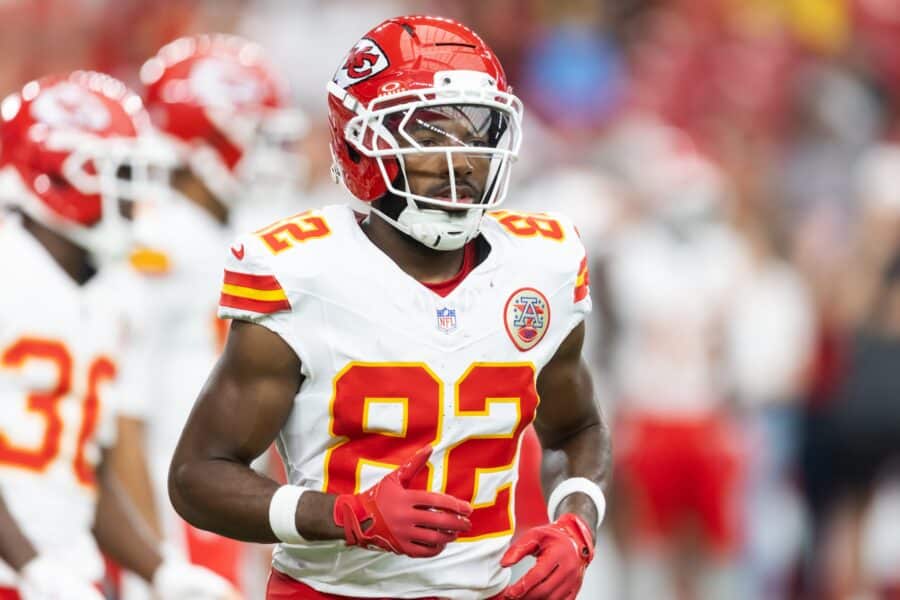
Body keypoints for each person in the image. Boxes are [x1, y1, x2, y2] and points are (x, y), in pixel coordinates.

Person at [170, 15, 611, 600]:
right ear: (360, 144)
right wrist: (345, 515)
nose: (464, 160)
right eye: (429, 137)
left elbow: (576, 427)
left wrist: (577, 520)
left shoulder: (540, 265)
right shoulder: (304, 273)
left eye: (478, 133)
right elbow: (197, 476)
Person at [0, 71, 238, 600]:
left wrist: (160, 569)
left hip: (69, 573)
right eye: (119, 172)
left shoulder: (107, 291)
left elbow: (87, 463)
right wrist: (30, 564)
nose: (134, 195)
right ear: (58, 172)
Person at [115, 33, 306, 595]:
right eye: (259, 133)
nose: (275, 154)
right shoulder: (159, 241)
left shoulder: (226, 234)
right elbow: (126, 415)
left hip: (218, 485)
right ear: (204, 135)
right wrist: (154, 563)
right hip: (167, 497)